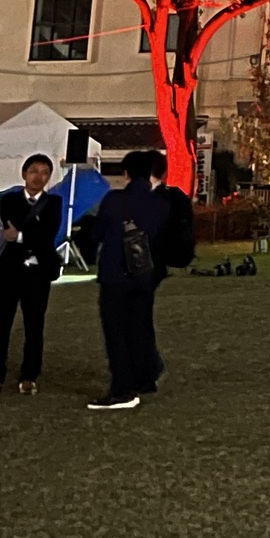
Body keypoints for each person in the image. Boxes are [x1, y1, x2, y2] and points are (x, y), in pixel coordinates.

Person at [90, 150, 169, 411]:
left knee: (116, 332)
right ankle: (146, 376)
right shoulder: (160, 204)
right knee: (140, 326)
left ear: (126, 173)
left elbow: (98, 233)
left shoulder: (114, 200)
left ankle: (122, 387)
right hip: (143, 273)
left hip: (115, 273)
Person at [0, 153, 63, 395]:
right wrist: (32, 234)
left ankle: (30, 375)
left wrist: (20, 236)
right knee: (0, 325)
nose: (38, 177)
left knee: (34, 325)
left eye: (44, 172)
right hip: (7, 272)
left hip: (37, 273)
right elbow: (24, 230)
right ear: (24, 174)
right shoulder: (7, 200)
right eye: (34, 171)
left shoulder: (55, 203)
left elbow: (47, 235)